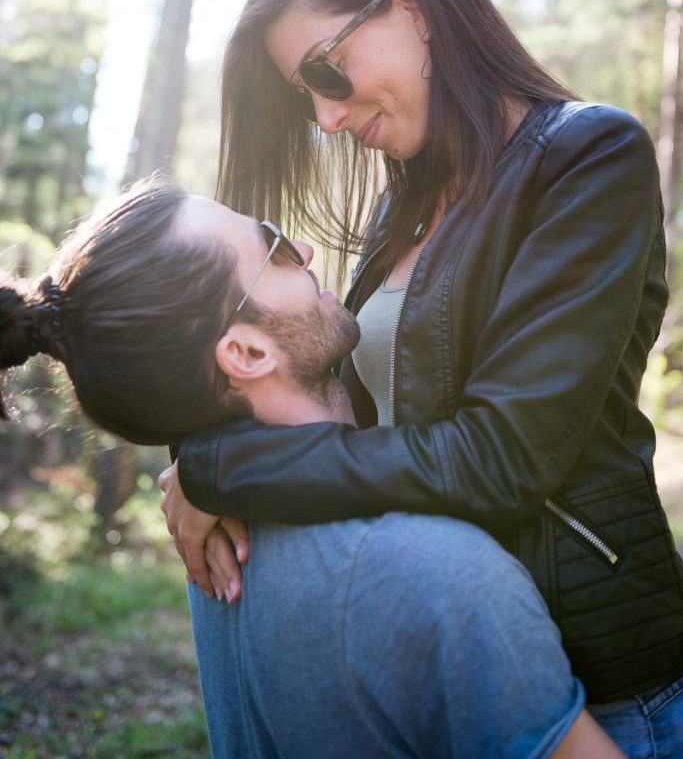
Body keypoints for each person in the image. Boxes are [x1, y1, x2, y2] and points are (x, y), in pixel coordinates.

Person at [158, 0, 683, 757]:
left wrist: (229, 467)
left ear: (412, 5)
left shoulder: (589, 158)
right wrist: (200, 457)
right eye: (307, 98)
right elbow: (360, 422)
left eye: (328, 73)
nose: (326, 118)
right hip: (443, 663)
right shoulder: (399, 205)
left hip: (608, 693)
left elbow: (499, 458)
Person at [0, 176, 625, 758]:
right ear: (245, 353)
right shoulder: (435, 572)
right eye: (271, 247)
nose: (300, 245)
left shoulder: (217, 543)